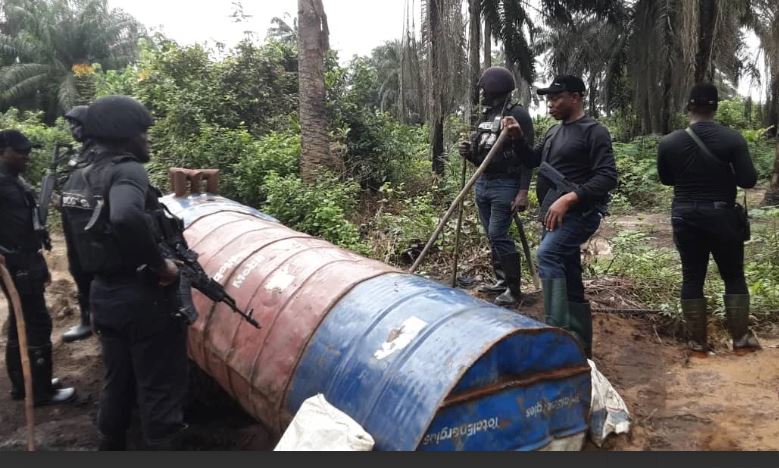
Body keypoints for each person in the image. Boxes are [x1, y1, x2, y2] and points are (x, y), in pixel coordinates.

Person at [60, 95, 189, 450]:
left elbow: (75, 249)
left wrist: (89, 300)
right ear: (124, 134)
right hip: (141, 297)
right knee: (160, 386)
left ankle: (109, 445)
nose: (147, 141)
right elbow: (126, 217)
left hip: (104, 295)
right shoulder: (127, 169)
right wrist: (160, 265)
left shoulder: (75, 178)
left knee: (117, 381)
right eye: (143, 133)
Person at [502, 75, 618, 358]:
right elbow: (531, 160)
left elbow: (607, 177)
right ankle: (580, 344)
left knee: (548, 255)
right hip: (553, 217)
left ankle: (555, 335)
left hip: (579, 214)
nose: (550, 104)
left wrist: (569, 198)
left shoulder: (594, 132)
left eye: (556, 98)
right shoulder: (554, 132)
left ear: (576, 97)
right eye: (549, 99)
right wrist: (517, 137)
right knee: (569, 271)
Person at [657, 83, 760, 355]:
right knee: (733, 275)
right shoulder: (732, 139)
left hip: (685, 215)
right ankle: (741, 338)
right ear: (716, 107)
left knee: (692, 277)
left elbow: (667, 179)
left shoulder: (669, 143)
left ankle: (697, 342)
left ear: (689, 106)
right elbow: (748, 180)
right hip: (722, 216)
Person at [1, 129, 76, 405]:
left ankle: (25, 383)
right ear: (2, 151)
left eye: (27, 150)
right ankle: (40, 391)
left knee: (22, 321)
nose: (26, 156)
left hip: (28, 258)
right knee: (35, 321)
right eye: (19, 151)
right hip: (14, 261)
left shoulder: (14, 179)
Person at [458, 66, 535, 306]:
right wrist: (468, 153)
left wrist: (523, 191)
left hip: (506, 184)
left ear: (494, 88)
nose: (481, 92)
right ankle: (501, 281)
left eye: (483, 87)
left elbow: (527, 156)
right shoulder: (487, 115)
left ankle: (514, 289)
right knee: (491, 236)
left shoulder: (518, 114)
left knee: (498, 234)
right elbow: (484, 157)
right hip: (484, 182)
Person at [60, 105, 95, 342]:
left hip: (92, 225)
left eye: (78, 124)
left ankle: (97, 321)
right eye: (71, 124)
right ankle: (86, 320)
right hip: (74, 223)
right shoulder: (79, 155)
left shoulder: (99, 153)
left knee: (95, 271)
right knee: (78, 269)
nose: (73, 129)